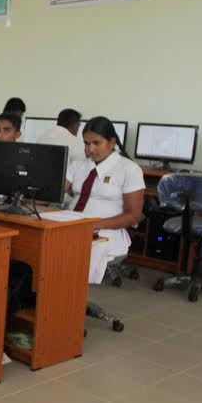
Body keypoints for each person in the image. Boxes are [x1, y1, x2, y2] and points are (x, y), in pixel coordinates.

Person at [65, 117, 144, 284]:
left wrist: (94, 225)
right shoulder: (79, 165)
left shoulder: (129, 169)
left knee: (76, 255)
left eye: (96, 143)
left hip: (106, 230)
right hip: (72, 225)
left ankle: (70, 299)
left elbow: (133, 215)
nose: (90, 149)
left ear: (111, 142)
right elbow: (54, 192)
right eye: (86, 143)